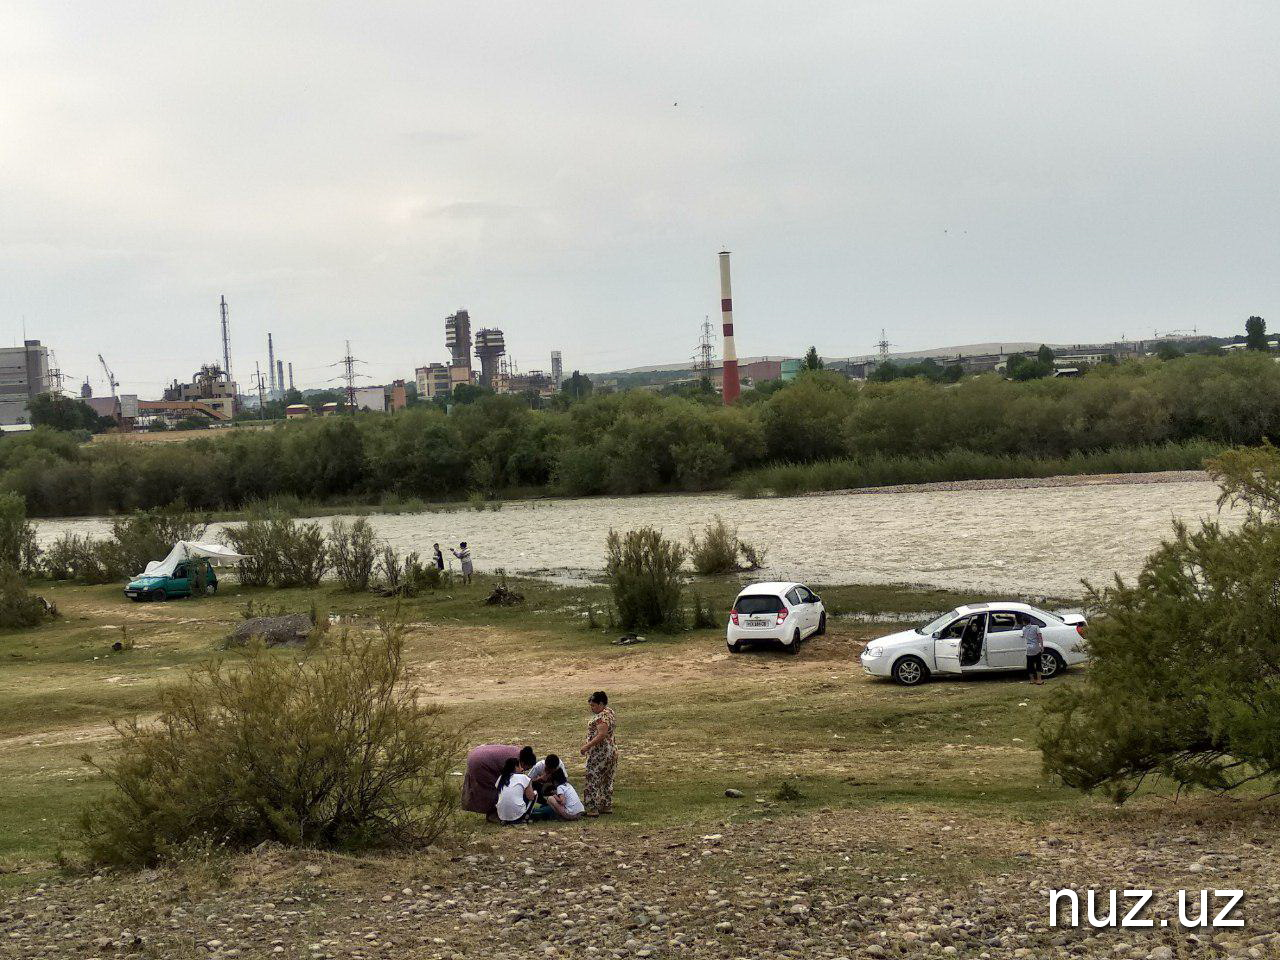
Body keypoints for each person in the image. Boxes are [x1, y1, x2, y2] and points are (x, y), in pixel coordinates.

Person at [461, 744, 536, 818]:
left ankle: (494, 812)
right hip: (480, 762)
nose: (524, 771)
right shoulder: (513, 761)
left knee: (496, 785)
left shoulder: (518, 753)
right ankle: (493, 814)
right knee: (492, 789)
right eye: (526, 769)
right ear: (523, 763)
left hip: (475, 754)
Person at [580, 691, 617, 817]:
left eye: (594, 706)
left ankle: (592, 807)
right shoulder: (610, 712)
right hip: (611, 751)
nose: (592, 708)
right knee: (607, 778)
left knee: (593, 777)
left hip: (599, 753)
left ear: (601, 704)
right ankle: (606, 804)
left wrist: (587, 746)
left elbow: (601, 735)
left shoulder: (602, 717)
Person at [495, 757, 536, 824]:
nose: (522, 769)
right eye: (520, 766)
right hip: (518, 816)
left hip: (501, 816)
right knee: (535, 793)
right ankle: (526, 817)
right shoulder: (523, 777)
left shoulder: (501, 778)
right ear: (515, 767)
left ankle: (506, 819)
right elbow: (530, 797)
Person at [1023, 617, 1045, 685]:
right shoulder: (1036, 627)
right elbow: (1039, 636)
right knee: (1038, 663)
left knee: (1030, 664)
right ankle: (1039, 680)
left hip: (1028, 647)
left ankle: (1032, 680)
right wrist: (1041, 645)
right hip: (1035, 647)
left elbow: (1024, 636)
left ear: (1024, 622)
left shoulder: (1023, 628)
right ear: (1030, 621)